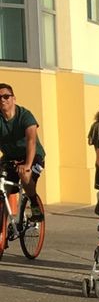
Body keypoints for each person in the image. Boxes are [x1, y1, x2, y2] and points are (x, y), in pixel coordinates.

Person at [0, 84, 46, 219]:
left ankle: (34, 204)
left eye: (6, 96)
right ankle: (3, 234)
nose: (2, 100)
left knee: (25, 175)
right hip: (10, 157)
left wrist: (27, 165)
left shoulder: (25, 115)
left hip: (32, 155)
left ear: (13, 99)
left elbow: (31, 140)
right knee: (3, 191)